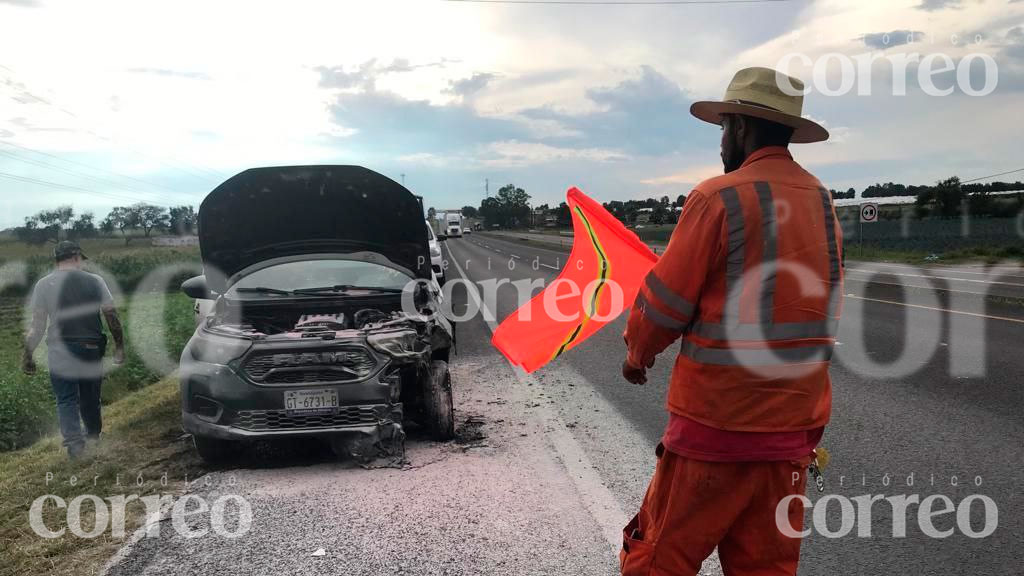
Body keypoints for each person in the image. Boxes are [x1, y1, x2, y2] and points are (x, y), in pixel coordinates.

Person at [620, 67, 843, 575]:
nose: (721, 142)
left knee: (658, 559)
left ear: (740, 128)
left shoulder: (717, 197)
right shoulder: (822, 202)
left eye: (723, 127)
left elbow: (663, 308)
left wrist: (637, 354)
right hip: (791, 435)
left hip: (715, 432)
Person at [23, 241, 126, 459]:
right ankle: (93, 437)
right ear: (77, 257)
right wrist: (119, 347)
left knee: (66, 398)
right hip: (90, 346)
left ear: (57, 260)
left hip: (59, 349)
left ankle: (75, 446)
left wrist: (28, 355)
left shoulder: (43, 284)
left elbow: (38, 325)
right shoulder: (95, 281)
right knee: (90, 396)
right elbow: (111, 315)